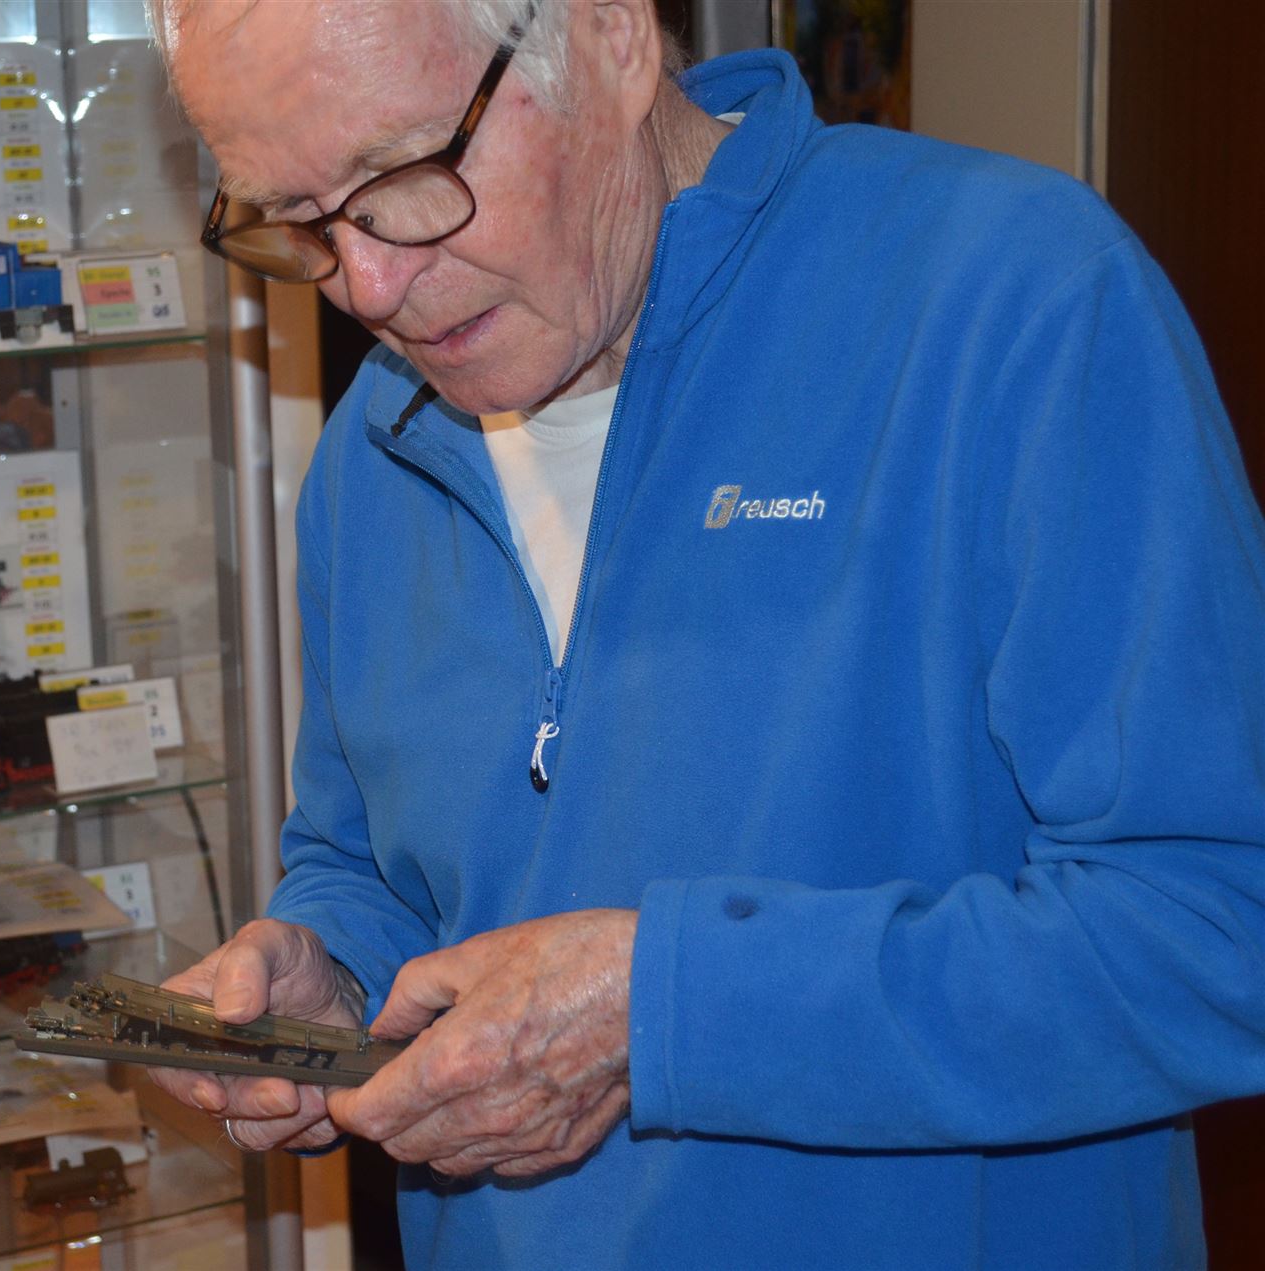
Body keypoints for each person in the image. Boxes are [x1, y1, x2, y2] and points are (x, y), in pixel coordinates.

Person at [144, 1, 1265, 1266]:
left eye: (403, 175)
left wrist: (664, 1008)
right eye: (297, 219)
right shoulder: (371, 451)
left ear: (613, 39)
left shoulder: (1014, 299)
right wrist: (337, 979)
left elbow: (1219, 929)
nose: (369, 285)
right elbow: (375, 864)